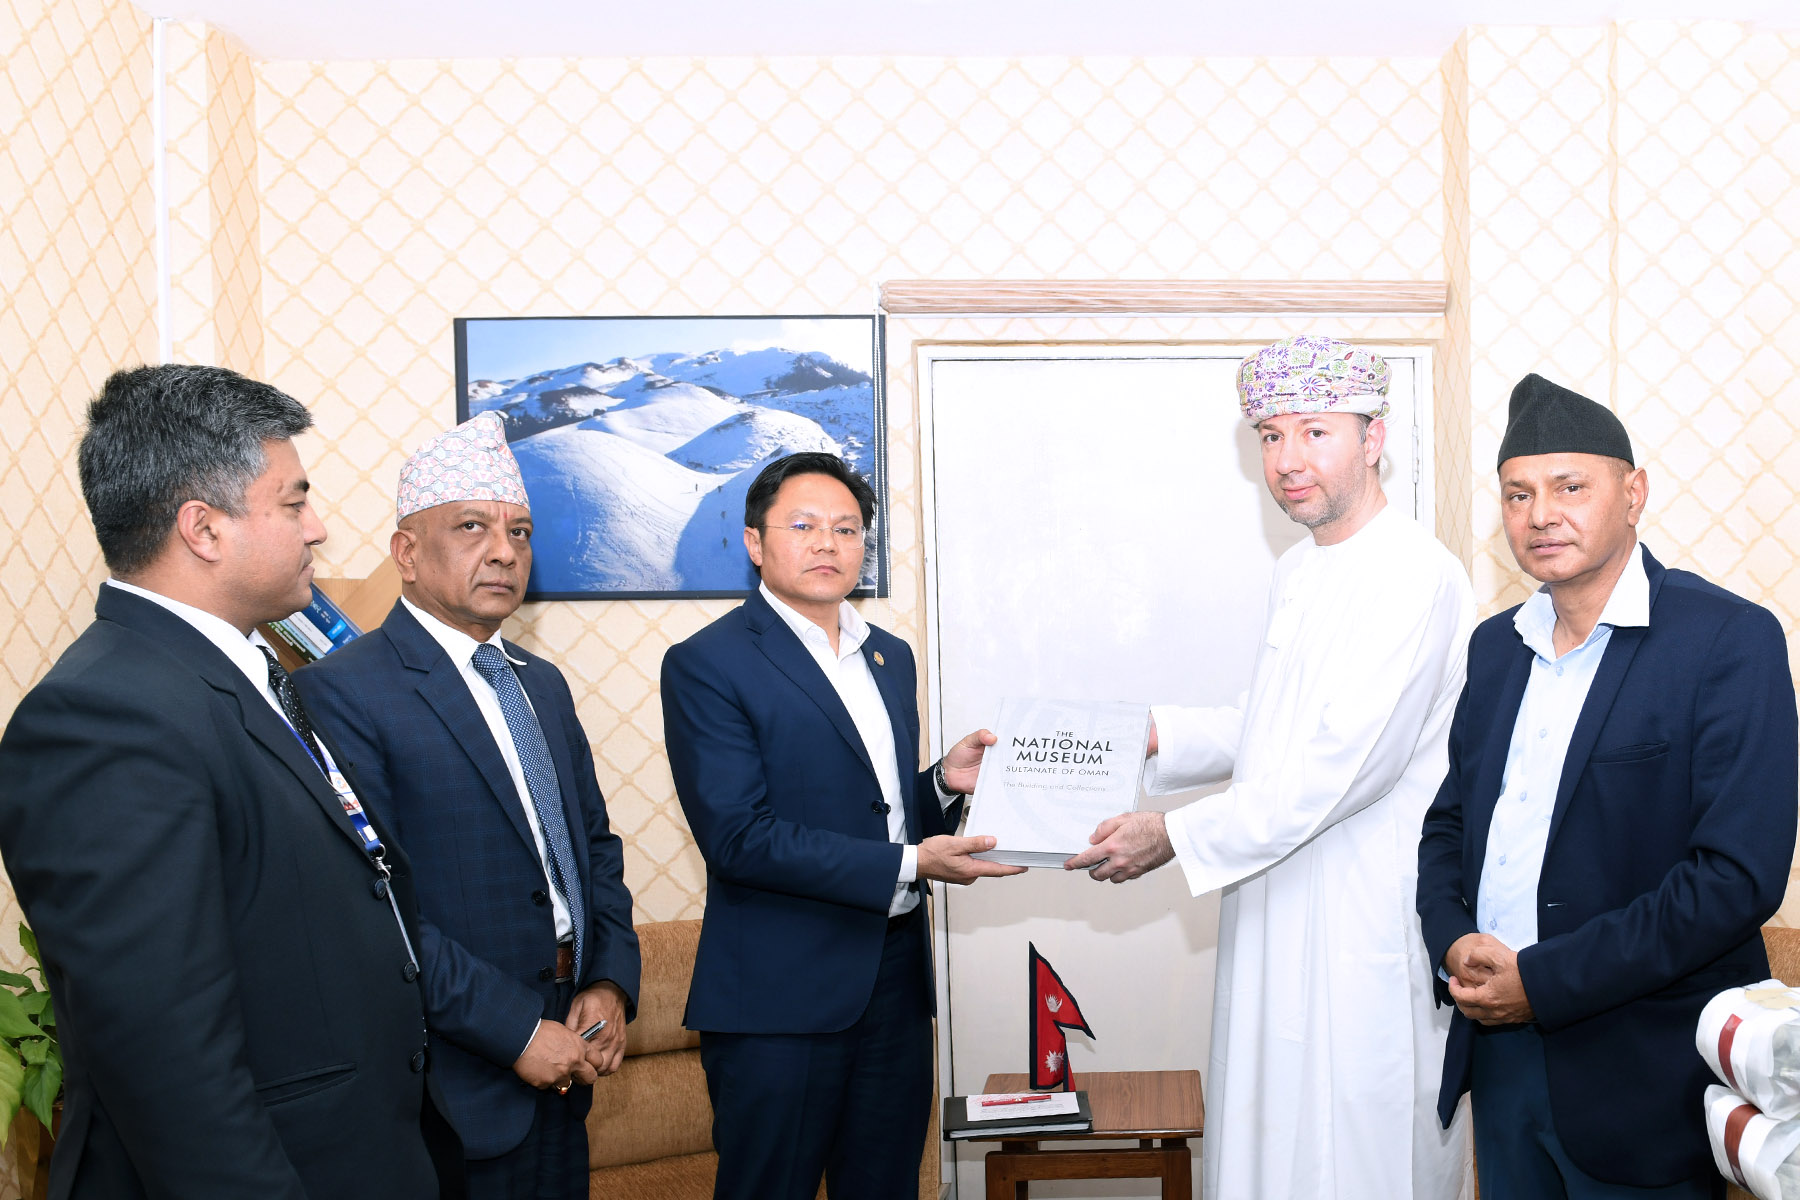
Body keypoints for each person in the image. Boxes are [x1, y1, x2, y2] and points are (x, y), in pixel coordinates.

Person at [0, 364, 459, 1198]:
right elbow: (168, 1061)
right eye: (293, 503)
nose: (318, 528)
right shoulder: (105, 716)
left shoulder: (239, 675)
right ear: (204, 529)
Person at [1066, 336, 1476, 1199]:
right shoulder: (1298, 569)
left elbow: (1344, 767)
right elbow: (1271, 725)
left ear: (1373, 438)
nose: (1287, 460)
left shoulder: (1416, 575)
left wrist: (1174, 835)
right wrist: (1144, 735)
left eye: (1314, 432)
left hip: (1360, 916)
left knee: (1355, 1154)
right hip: (1272, 894)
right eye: (1271, 435)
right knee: (1268, 1137)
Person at [1417, 375, 1796, 1199]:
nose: (1540, 514)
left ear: (1634, 493)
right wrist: (1451, 937)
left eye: (1570, 487)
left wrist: (1544, 982)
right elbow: (1450, 824)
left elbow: (1735, 878)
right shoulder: (1496, 648)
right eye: (1518, 493)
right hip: (1501, 1057)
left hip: (1646, 1075)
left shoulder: (1726, 639)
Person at [660, 451, 1024, 1200]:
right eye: (803, 526)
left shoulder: (890, 657)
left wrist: (940, 783)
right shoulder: (708, 663)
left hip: (894, 983)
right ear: (755, 542)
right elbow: (738, 838)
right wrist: (912, 864)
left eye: (847, 528)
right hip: (779, 996)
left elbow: (873, 809)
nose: (827, 543)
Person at [295, 412, 640, 1199]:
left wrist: (609, 983)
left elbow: (594, 848)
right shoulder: (342, 691)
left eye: (520, 532)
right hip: (454, 1079)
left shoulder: (540, 684)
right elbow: (375, 904)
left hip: (573, 1051)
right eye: (473, 527)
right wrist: (516, 1030)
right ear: (407, 553)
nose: (505, 551)